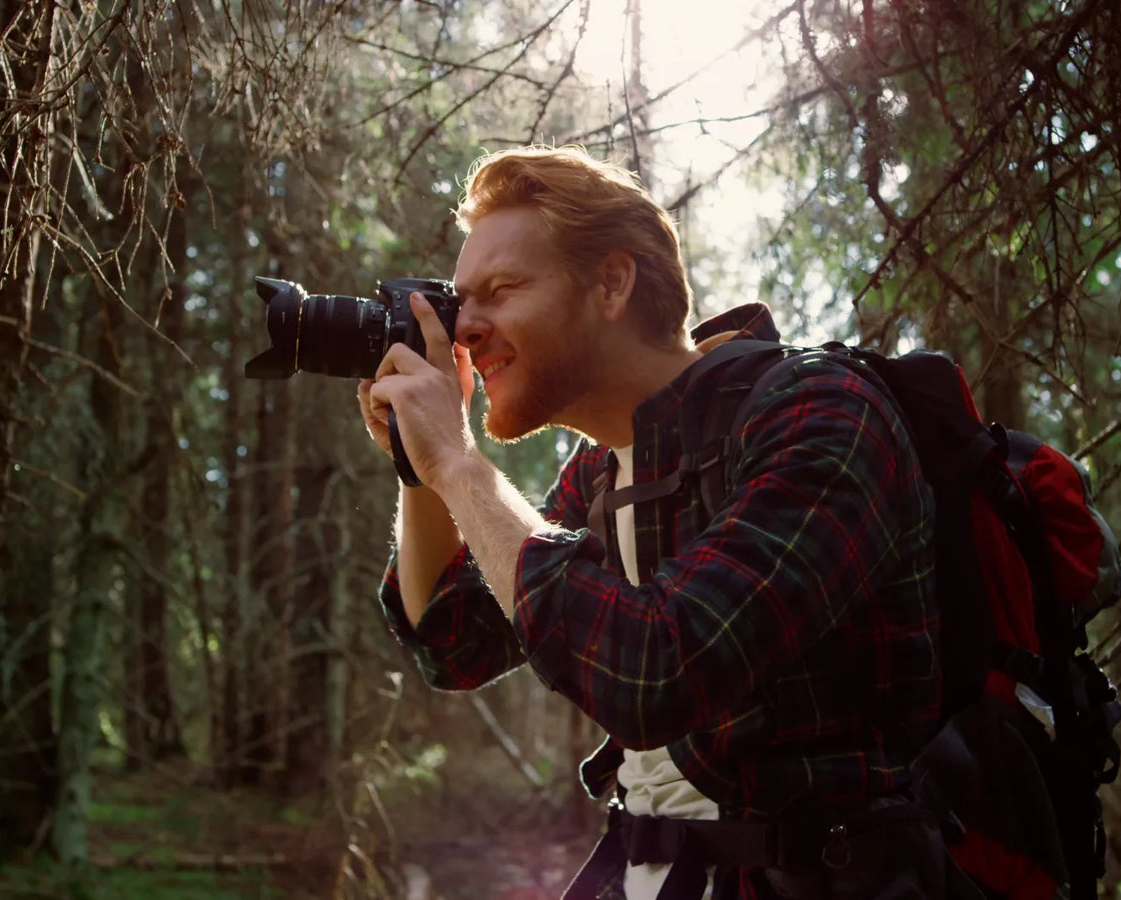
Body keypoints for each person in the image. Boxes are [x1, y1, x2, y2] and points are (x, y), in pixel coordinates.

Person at [358, 145, 946, 900]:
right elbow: (453, 641)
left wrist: (462, 467)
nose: (464, 330)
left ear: (611, 283)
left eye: (499, 290)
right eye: (458, 300)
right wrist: (423, 468)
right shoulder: (603, 469)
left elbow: (658, 669)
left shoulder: (820, 412)